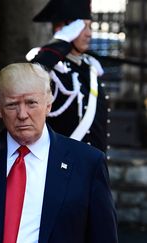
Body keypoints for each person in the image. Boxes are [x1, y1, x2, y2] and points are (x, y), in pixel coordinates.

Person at [0, 63, 118, 243]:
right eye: (12, 105)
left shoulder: (87, 162)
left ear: (48, 105)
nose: (22, 114)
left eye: (31, 103)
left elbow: (104, 237)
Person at [26, 0, 109, 153]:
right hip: (63, 164)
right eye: (82, 26)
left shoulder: (90, 67)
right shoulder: (51, 66)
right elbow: (29, 78)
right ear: (62, 29)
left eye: (90, 26)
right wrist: (61, 41)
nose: (89, 33)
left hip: (93, 165)